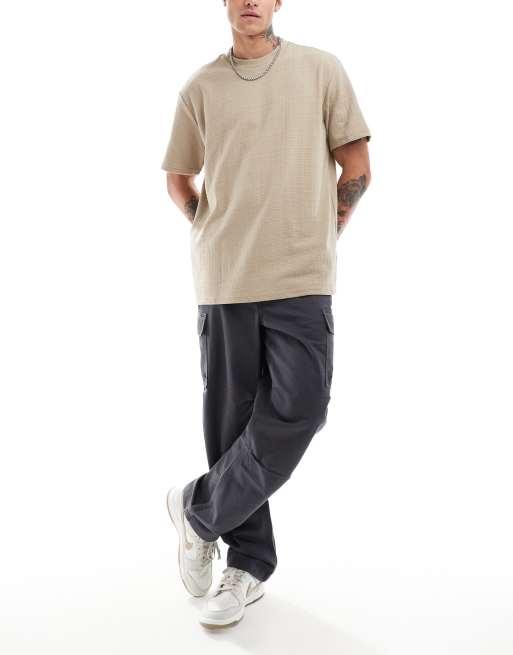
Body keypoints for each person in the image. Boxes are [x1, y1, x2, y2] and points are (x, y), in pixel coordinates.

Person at [162, 0, 372, 628]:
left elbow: (357, 166)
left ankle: (197, 510)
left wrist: (321, 231)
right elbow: (179, 177)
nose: (251, 1)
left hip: (301, 274)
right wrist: (217, 232)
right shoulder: (201, 87)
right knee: (231, 424)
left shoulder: (320, 69)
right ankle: (246, 565)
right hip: (225, 278)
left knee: (302, 407)